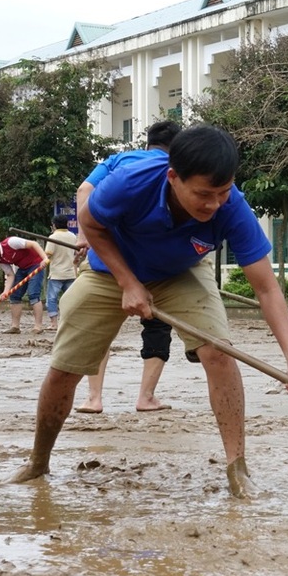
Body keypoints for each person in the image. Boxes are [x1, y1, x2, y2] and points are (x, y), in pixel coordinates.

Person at [7, 124, 288, 498]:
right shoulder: (131, 180)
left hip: (180, 272)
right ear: (173, 177)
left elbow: (267, 287)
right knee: (64, 367)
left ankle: (238, 468)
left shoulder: (232, 206)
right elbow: (91, 222)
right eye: (204, 194)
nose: (214, 204)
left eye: (222, 192)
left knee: (218, 351)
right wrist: (127, 282)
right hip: (112, 271)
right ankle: (39, 461)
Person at [71, 120, 181, 413]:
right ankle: (146, 397)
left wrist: (85, 238)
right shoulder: (179, 169)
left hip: (109, 260)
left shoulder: (120, 160)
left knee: (97, 331)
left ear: (147, 143)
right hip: (159, 264)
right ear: (177, 147)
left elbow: (84, 190)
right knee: (157, 328)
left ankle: (93, 398)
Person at [0, 236, 49, 334]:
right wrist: (5, 292)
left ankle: (38, 327)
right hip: (22, 268)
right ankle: (15, 327)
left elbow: (33, 244)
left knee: (33, 294)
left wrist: (44, 258)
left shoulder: (11, 242)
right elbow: (10, 275)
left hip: (36, 264)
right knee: (14, 295)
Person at [45, 214, 78, 331]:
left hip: (56, 274)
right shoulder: (73, 236)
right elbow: (75, 254)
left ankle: (54, 323)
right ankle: (70, 323)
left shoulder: (53, 237)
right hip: (70, 273)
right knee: (70, 299)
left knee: (52, 299)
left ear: (54, 225)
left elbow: (48, 254)